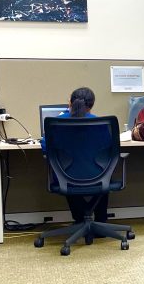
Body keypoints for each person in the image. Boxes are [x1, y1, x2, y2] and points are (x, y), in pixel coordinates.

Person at [41, 86, 109, 223]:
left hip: (66, 177)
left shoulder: (57, 123)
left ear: (70, 103)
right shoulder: (100, 123)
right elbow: (109, 148)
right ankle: (101, 221)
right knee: (105, 172)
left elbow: (45, 147)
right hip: (98, 176)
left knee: (67, 172)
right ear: (92, 105)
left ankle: (79, 219)